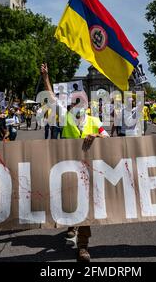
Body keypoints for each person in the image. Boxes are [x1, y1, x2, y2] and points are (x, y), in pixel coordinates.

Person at [41, 62, 109, 262]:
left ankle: (83, 246)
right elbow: (52, 97)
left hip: (88, 171)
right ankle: (71, 224)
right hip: (67, 168)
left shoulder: (94, 122)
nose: (77, 105)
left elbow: (107, 139)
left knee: (84, 206)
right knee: (70, 202)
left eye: (81, 102)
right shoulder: (65, 116)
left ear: (86, 105)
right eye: (74, 102)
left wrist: (96, 137)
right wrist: (46, 77)